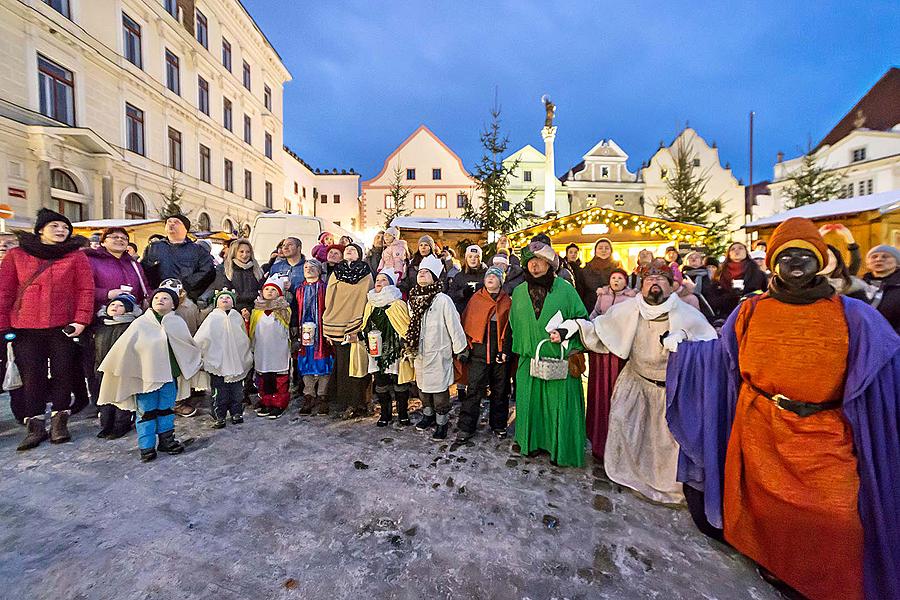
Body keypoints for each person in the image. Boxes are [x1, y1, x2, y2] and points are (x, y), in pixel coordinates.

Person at [667, 218, 900, 600]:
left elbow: (885, 367)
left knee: (838, 515)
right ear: (773, 262)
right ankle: (776, 565)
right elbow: (721, 357)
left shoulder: (853, 314)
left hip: (827, 433)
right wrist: (684, 351)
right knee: (766, 508)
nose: (794, 261)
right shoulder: (751, 312)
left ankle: (827, 581)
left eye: (805, 255)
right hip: (761, 427)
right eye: (786, 254)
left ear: (820, 262)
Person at [560, 258, 715, 499]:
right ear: (641, 285)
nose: (654, 283)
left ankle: (667, 488)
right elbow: (600, 329)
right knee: (628, 430)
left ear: (671, 285)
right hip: (636, 382)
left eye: (660, 279)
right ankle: (630, 477)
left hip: (670, 390)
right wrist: (575, 326)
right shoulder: (628, 309)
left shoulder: (687, 313)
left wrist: (685, 342)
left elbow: (710, 350)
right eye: (649, 280)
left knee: (665, 444)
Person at [0, 208, 94, 450]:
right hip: (25, 327)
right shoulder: (17, 255)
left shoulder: (75, 257)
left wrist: (81, 320)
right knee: (32, 376)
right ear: (40, 229)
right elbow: (5, 291)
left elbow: (85, 290)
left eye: (65, 227)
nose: (61, 230)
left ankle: (60, 422)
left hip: (63, 326)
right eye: (55, 226)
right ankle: (35, 424)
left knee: (64, 374)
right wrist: (4, 324)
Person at [97, 286, 201, 462]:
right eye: (156, 298)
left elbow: (186, 346)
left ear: (174, 305)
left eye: (166, 298)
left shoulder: (177, 323)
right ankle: (146, 446)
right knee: (146, 412)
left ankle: (167, 440)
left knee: (166, 410)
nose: (160, 300)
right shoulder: (140, 324)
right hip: (145, 379)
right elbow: (125, 350)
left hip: (169, 376)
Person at [510, 240, 588, 467]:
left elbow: (583, 320)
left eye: (540, 262)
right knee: (529, 404)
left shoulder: (565, 289)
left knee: (558, 407)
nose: (535, 266)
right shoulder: (519, 291)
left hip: (559, 361)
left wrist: (565, 332)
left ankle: (559, 448)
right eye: (531, 262)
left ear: (549, 264)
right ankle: (531, 443)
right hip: (529, 359)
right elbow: (515, 323)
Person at [406, 254, 467, 440]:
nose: (422, 275)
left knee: (439, 391)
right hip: (420, 352)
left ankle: (442, 422)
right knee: (423, 388)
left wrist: (460, 348)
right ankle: (428, 415)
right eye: (420, 272)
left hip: (439, 351)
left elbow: (454, 324)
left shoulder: (442, 300)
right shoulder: (412, 299)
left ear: (434, 276)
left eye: (426, 272)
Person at [584, 267, 636, 462]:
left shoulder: (631, 299)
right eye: (613, 278)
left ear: (626, 281)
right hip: (601, 349)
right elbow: (595, 314)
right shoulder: (602, 296)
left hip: (618, 351)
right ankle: (598, 435)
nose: (616, 281)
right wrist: (592, 326)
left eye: (620, 278)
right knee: (599, 391)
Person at [458, 266, 512, 440]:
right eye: (488, 275)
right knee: (473, 390)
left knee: (500, 390)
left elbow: (510, 328)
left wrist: (505, 350)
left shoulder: (507, 302)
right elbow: (467, 324)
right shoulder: (476, 299)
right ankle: (466, 427)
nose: (490, 278)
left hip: (500, 353)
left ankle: (499, 425)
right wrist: (466, 347)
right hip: (478, 353)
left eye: (495, 277)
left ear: (501, 281)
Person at [323, 244, 374, 418]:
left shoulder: (366, 272)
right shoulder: (337, 272)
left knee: (359, 363)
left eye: (353, 250)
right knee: (343, 363)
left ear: (360, 254)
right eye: (346, 250)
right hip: (337, 320)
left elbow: (367, 295)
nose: (349, 252)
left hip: (358, 320)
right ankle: (345, 401)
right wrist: (329, 318)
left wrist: (361, 321)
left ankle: (362, 401)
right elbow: (330, 296)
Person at [194, 289, 253, 429]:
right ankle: (219, 416)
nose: (225, 299)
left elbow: (243, 337)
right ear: (216, 303)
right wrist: (200, 353)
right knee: (219, 392)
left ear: (233, 303)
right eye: (221, 298)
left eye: (228, 298)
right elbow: (201, 338)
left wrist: (246, 353)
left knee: (237, 392)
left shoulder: (236, 317)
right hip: (218, 362)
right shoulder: (212, 318)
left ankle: (236, 413)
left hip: (236, 361)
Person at [361, 268, 411, 427]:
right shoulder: (370, 303)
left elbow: (405, 326)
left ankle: (403, 413)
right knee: (381, 382)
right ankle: (385, 413)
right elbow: (365, 323)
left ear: (391, 284)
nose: (379, 283)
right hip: (376, 349)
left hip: (395, 349)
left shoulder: (398, 304)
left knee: (399, 383)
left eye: (384, 280)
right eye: (377, 280)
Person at [93, 293, 141, 440]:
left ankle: (122, 425)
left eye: (120, 306)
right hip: (102, 368)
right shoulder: (101, 325)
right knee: (105, 398)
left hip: (123, 369)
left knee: (122, 398)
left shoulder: (132, 326)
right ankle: (106, 425)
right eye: (113, 305)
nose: (115, 307)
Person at [140, 214, 215, 302]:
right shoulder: (153, 248)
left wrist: (186, 287)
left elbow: (208, 272)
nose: (171, 224)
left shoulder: (198, 251)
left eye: (176, 222)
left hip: (186, 299)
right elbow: (144, 271)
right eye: (169, 222)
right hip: (158, 298)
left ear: (185, 228)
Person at [249, 274, 292, 419]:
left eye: (273, 290)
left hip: (278, 350)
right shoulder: (256, 310)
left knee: (278, 378)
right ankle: (266, 401)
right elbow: (252, 330)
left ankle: (279, 402)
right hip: (262, 350)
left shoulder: (283, 309)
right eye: (267, 290)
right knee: (264, 378)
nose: (269, 293)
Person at [295, 259, 333, 415]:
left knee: (324, 362)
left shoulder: (326, 288)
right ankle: (308, 394)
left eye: (312, 267)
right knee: (305, 362)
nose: (309, 269)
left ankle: (322, 395)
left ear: (319, 270)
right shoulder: (298, 289)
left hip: (322, 332)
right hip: (303, 331)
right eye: (306, 267)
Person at [202, 238, 264, 316]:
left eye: (248, 252)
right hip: (232, 312)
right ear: (234, 252)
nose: (245, 255)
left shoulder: (257, 270)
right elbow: (225, 292)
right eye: (241, 251)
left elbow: (261, 290)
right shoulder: (224, 269)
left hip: (255, 311)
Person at [716, 241, 768, 315]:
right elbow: (714, 298)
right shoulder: (720, 274)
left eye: (740, 248)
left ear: (746, 253)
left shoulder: (758, 273)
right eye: (733, 249)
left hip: (752, 312)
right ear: (729, 254)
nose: (736, 251)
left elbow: (765, 293)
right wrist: (731, 295)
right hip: (726, 314)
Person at [577, 239, 622, 312]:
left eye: (606, 248)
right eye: (600, 248)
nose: (603, 251)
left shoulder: (617, 269)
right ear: (595, 251)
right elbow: (580, 292)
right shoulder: (585, 270)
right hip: (590, 308)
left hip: (613, 308)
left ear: (611, 251)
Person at [862, 244, 900, 333]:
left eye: (885, 256)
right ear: (867, 263)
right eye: (874, 257)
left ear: (897, 263)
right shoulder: (858, 286)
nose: (878, 259)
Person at [448, 245, 487, 314]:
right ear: (466, 258)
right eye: (470, 256)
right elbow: (450, 295)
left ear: (480, 259)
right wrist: (462, 293)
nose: (473, 259)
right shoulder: (459, 276)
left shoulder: (487, 274)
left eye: (476, 257)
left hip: (482, 312)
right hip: (463, 313)